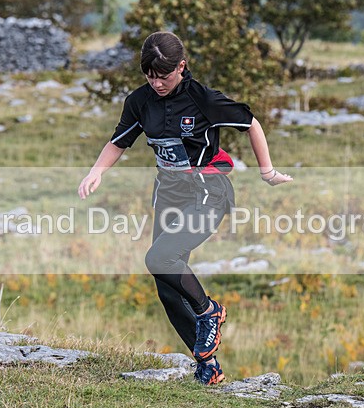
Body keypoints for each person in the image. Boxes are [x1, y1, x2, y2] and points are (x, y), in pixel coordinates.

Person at [78, 31, 292, 385]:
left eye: (164, 75)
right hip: (168, 194)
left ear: (182, 66)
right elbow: (119, 140)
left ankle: (211, 311)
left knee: (159, 259)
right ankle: (208, 365)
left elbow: (250, 123)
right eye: (150, 75)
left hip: (208, 192)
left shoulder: (201, 98)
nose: (157, 82)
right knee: (167, 286)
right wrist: (96, 172)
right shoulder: (140, 101)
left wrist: (266, 171)